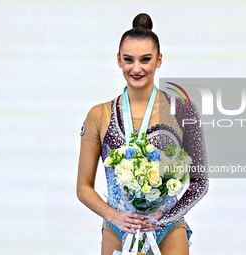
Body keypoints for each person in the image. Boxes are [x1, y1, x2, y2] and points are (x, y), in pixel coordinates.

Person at [76, 13, 209, 255]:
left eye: (145, 59)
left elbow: (200, 182)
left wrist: (165, 215)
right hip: (119, 225)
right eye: (129, 59)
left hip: (168, 226)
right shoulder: (99, 115)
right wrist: (114, 217)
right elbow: (83, 187)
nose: (136, 68)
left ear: (159, 60)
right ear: (118, 60)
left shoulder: (183, 111)